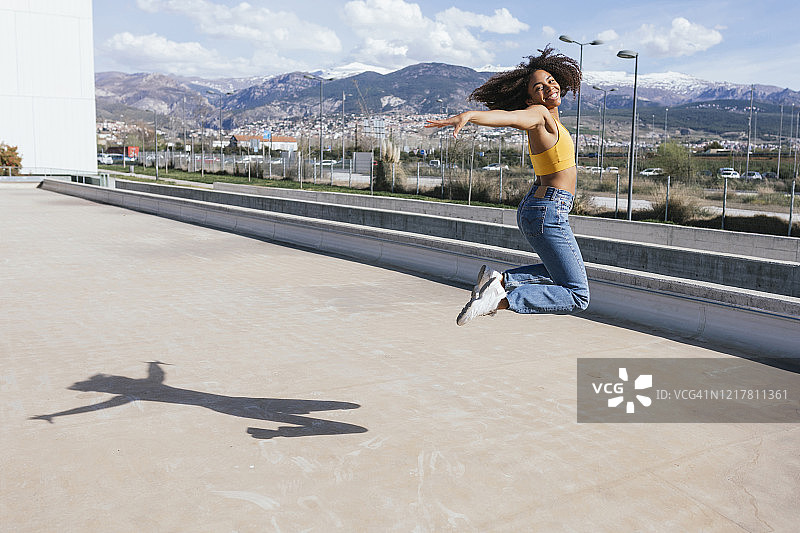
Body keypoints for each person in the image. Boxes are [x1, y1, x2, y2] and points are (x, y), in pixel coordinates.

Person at [425, 45, 590, 325]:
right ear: (529, 99)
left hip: (541, 208)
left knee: (561, 273)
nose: (549, 87)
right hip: (547, 210)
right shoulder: (538, 115)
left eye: (551, 80)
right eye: (539, 87)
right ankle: (499, 299)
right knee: (577, 294)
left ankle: (499, 280)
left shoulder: (552, 122)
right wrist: (470, 116)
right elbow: (510, 117)